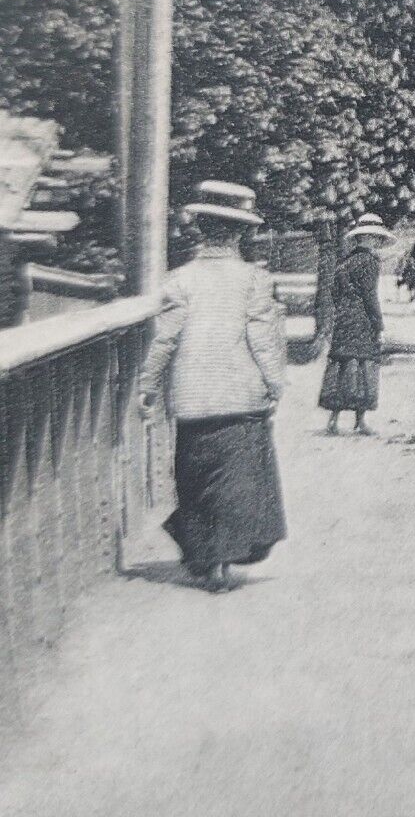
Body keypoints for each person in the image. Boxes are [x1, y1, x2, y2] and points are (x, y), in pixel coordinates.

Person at [137, 180, 287, 593]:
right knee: (238, 481)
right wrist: (276, 384)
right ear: (240, 233)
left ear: (200, 230)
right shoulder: (253, 280)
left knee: (196, 477)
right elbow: (262, 338)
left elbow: (164, 339)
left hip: (193, 397)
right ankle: (222, 561)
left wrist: (147, 385)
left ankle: (207, 557)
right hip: (241, 395)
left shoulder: (178, 280)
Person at [317, 213, 393, 434]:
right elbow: (370, 296)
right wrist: (379, 325)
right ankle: (360, 422)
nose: (378, 242)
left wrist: (344, 308)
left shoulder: (344, 262)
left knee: (342, 366)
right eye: (376, 238)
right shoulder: (370, 262)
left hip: (344, 320)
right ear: (368, 238)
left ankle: (333, 420)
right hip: (362, 320)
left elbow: (333, 292)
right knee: (363, 366)